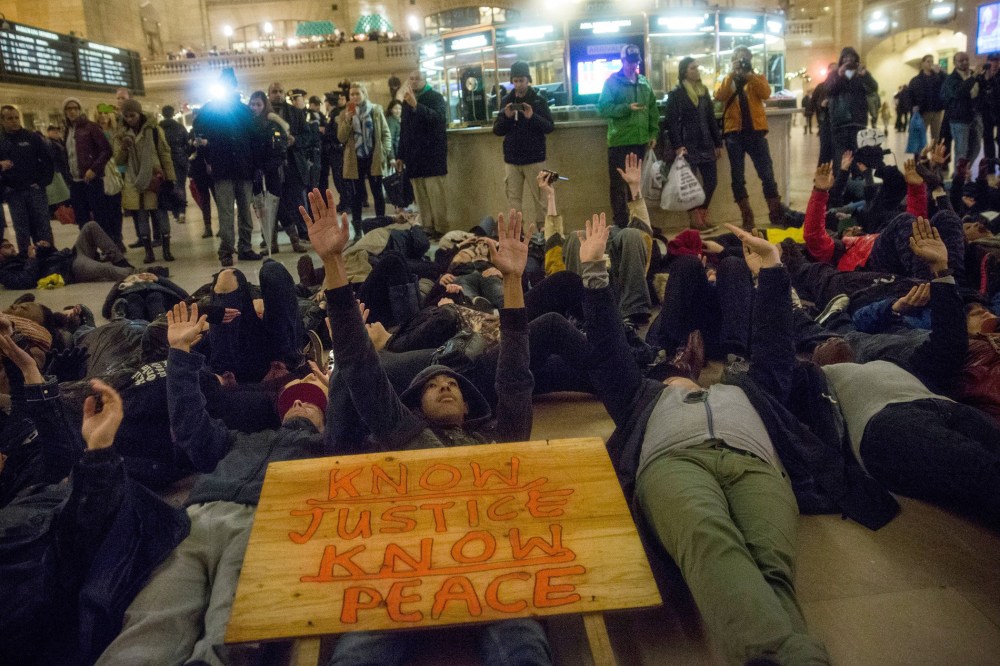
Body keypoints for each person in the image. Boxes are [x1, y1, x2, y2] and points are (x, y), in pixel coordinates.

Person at [300, 189, 552, 666]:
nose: (444, 385)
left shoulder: (498, 441)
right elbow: (358, 364)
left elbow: (516, 379)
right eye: (432, 384)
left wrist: (514, 284)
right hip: (399, 564)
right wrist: (333, 263)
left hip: (492, 563)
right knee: (358, 656)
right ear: (414, 403)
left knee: (523, 649)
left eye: (451, 383)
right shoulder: (403, 435)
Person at [575, 214, 832, 664]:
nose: (683, 378)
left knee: (773, 566)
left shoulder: (747, 390)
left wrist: (773, 269)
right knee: (708, 537)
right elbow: (608, 353)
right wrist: (594, 273)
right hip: (674, 465)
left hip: (754, 465)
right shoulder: (642, 399)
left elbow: (773, 347)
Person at [96, 298, 331, 666]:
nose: (301, 405)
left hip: (264, 525)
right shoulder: (239, 441)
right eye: (295, 401)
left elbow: (367, 416)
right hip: (194, 520)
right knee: (150, 623)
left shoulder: (328, 451)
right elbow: (189, 427)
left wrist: (341, 391)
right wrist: (180, 354)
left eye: (312, 402)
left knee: (232, 634)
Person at [812, 218, 1000, 525]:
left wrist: (941, 270)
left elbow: (950, 343)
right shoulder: (819, 381)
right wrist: (770, 271)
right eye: (825, 344)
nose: (830, 344)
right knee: (981, 471)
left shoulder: (904, 364)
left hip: (941, 407)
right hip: (886, 424)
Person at [193, 68, 259, 266]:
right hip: (223, 168)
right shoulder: (212, 109)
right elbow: (198, 128)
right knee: (226, 211)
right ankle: (227, 249)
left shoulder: (243, 110)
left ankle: (244, 247)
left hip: (242, 167)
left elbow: (253, 139)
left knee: (244, 211)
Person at [714, 47, 783, 230]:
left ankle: (775, 212)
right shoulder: (725, 77)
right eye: (740, 58)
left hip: (756, 133)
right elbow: (718, 95)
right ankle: (747, 215)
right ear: (733, 59)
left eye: (746, 58)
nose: (743, 61)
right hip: (734, 134)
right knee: (737, 177)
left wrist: (750, 75)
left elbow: (766, 94)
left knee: (767, 174)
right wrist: (731, 74)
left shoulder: (756, 77)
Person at [598, 44, 659, 228]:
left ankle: (639, 221)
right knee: (618, 186)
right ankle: (621, 224)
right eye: (630, 62)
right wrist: (626, 108)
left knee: (637, 185)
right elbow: (603, 108)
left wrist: (652, 132)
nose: (633, 66)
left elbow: (653, 110)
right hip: (620, 142)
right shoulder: (612, 82)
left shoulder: (643, 82)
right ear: (623, 61)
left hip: (640, 142)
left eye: (636, 62)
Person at [492, 60, 555, 230]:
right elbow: (497, 130)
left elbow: (549, 127)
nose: (518, 84)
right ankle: (517, 232)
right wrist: (506, 116)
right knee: (513, 200)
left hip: (534, 158)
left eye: (522, 80)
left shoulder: (539, 100)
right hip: (512, 159)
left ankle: (543, 231)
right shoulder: (506, 100)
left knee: (540, 198)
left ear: (528, 80)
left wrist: (532, 116)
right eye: (515, 80)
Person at [664, 57, 723, 231]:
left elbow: (711, 120)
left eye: (697, 67)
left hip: (706, 143)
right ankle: (695, 219)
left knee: (712, 182)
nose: (696, 70)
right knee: (689, 184)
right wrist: (678, 146)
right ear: (684, 71)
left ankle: (702, 214)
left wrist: (717, 143)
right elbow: (672, 122)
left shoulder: (703, 92)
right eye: (692, 68)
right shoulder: (676, 94)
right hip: (687, 145)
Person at [115, 100, 176, 264]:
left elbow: (164, 153)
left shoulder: (154, 130)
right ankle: (148, 252)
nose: (130, 119)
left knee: (160, 214)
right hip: (134, 181)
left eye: (132, 115)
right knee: (141, 216)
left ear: (139, 113)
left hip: (155, 177)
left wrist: (170, 177)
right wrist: (124, 148)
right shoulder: (121, 134)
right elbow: (118, 160)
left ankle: (166, 249)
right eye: (126, 116)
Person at [396, 69, 449, 238]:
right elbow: (404, 129)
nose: (413, 82)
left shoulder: (436, 98)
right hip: (414, 158)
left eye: (417, 79)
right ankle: (427, 226)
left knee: (436, 195)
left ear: (425, 80)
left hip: (432, 156)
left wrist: (416, 106)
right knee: (421, 197)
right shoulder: (407, 101)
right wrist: (400, 155)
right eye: (411, 79)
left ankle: (441, 228)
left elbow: (437, 120)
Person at [337, 82, 392, 239]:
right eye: (352, 94)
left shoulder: (375, 110)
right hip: (355, 160)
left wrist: (385, 151)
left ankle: (380, 227)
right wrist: (347, 120)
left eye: (357, 93)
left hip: (373, 157)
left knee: (377, 194)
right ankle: (358, 232)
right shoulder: (344, 114)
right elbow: (341, 137)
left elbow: (385, 133)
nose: (354, 97)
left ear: (364, 94)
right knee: (356, 196)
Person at [0, 105, 55, 256]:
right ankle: (27, 261)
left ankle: (49, 258)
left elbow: (48, 161)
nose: (14, 121)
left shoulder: (32, 137)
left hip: (35, 191)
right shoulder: (2, 141)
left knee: (42, 227)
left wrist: (43, 182)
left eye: (16, 117)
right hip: (14, 194)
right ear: (2, 121)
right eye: (10, 118)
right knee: (22, 230)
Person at [62, 97, 116, 242]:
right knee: (82, 218)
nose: (72, 111)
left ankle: (109, 248)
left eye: (75, 108)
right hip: (75, 181)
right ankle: (90, 251)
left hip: (91, 179)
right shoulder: (67, 130)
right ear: (65, 112)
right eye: (69, 109)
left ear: (80, 110)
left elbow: (106, 150)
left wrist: (94, 169)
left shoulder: (91, 127)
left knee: (100, 217)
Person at [269, 82, 312, 253]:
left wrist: (295, 140)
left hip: (293, 164)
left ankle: (301, 234)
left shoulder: (295, 113)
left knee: (296, 202)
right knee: (273, 203)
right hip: (272, 166)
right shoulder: (263, 114)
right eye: (274, 92)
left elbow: (308, 136)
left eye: (280, 91)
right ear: (269, 94)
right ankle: (271, 241)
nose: (277, 94)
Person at [248, 90, 289, 257]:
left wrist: (269, 166)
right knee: (261, 207)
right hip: (256, 171)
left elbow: (280, 148)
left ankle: (292, 238)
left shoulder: (272, 123)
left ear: (264, 106)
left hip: (272, 170)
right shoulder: (248, 125)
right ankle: (270, 240)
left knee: (278, 205)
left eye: (258, 104)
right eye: (252, 104)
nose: (255, 108)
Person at [826, 46, 879, 167]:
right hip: (840, 121)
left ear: (856, 60)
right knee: (840, 155)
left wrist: (865, 75)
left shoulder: (861, 74)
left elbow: (873, 88)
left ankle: (858, 181)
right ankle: (840, 183)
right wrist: (840, 75)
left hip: (858, 121)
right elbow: (828, 90)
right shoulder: (835, 74)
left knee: (858, 154)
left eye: (852, 57)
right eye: (846, 57)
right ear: (841, 59)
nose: (848, 60)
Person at [941, 51, 983, 165]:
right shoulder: (951, 79)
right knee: (961, 151)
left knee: (976, 148)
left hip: (975, 116)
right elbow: (960, 92)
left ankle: (965, 171)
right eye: (961, 60)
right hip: (959, 119)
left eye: (966, 60)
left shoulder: (974, 75)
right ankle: (958, 178)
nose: (965, 62)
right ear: (954, 63)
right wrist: (974, 77)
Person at [158, 105, 190, 224]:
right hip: (180, 160)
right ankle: (182, 212)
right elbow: (187, 144)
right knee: (180, 186)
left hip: (165, 162)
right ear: (173, 114)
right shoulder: (180, 127)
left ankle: (175, 213)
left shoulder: (159, 128)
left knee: (169, 186)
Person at [908, 54, 947, 145]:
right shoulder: (915, 80)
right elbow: (910, 96)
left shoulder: (938, 77)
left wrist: (941, 72)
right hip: (923, 111)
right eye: (928, 61)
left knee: (936, 137)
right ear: (923, 63)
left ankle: (935, 157)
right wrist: (912, 107)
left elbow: (948, 82)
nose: (931, 63)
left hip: (936, 111)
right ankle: (920, 158)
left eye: (932, 61)